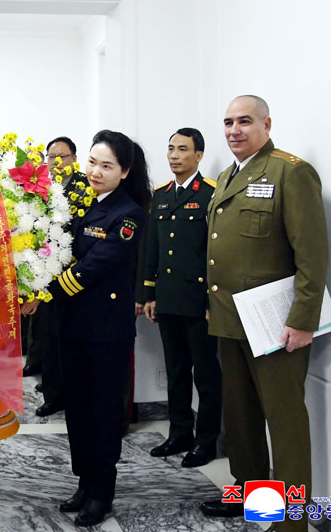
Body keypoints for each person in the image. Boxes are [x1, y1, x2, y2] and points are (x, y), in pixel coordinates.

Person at [198, 96, 328, 532]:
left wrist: (303, 318)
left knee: (285, 424)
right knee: (241, 419)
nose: (234, 129)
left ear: (267, 124)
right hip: (232, 320)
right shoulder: (226, 177)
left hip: (276, 325)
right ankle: (252, 500)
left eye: (245, 121)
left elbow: (312, 254)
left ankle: (289, 523)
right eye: (228, 122)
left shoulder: (290, 172)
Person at [23, 130, 151, 527]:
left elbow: (92, 268)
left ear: (124, 171)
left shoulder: (128, 213)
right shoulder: (80, 205)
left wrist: (45, 293)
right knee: (77, 409)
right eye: (92, 163)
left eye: (106, 166)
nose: (96, 171)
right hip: (71, 328)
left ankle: (102, 492)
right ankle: (83, 482)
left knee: (103, 412)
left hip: (105, 331)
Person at [143, 128, 222, 467]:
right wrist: (149, 292)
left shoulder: (211, 194)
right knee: (176, 371)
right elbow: (153, 247)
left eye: (183, 150)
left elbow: (216, 251)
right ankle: (179, 435)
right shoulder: (160, 195)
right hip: (168, 298)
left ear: (199, 156)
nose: (174, 155)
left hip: (198, 301)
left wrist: (211, 301)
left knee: (205, 375)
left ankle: (206, 443)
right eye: (171, 149)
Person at [28, 136, 88, 416]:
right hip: (45, 273)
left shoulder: (84, 187)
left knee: (71, 338)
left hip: (75, 273)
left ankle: (69, 390)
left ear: (74, 158)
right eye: (50, 158)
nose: (55, 162)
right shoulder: (41, 187)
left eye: (61, 157)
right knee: (48, 334)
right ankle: (53, 394)